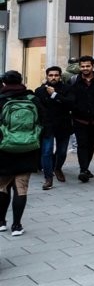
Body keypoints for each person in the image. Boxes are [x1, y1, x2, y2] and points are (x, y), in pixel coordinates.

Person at [0, 71, 43, 237]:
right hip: (28, 148)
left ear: (4, 83)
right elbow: (43, 122)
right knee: (21, 187)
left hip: (4, 149)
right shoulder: (32, 99)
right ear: (21, 81)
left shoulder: (1, 100)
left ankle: (1, 222)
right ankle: (17, 225)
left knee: (2, 186)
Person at [66, 55, 94, 182]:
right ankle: (83, 169)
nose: (85, 68)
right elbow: (67, 96)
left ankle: (86, 167)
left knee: (91, 145)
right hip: (79, 119)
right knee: (82, 144)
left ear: (93, 66)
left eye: (87, 66)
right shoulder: (73, 80)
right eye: (82, 66)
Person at [34, 66, 73, 190]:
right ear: (46, 76)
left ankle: (57, 168)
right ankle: (48, 178)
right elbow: (39, 108)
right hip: (47, 125)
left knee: (61, 152)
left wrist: (55, 95)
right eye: (51, 75)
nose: (53, 77)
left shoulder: (67, 88)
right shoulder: (40, 91)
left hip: (63, 124)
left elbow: (70, 103)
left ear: (60, 76)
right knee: (46, 151)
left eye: (56, 75)